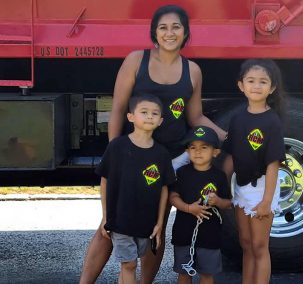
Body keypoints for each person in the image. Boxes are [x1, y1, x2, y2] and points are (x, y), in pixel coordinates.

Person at [79, 4, 226, 284]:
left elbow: (195, 116)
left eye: (176, 27)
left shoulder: (192, 70)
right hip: (132, 155)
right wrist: (117, 152)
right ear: (154, 33)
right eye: (163, 27)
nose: (169, 33)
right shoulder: (136, 61)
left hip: (168, 160)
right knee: (109, 224)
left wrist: (226, 136)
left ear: (185, 33)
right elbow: (119, 110)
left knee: (155, 228)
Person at [95, 94, 175, 283]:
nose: (149, 116)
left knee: (130, 263)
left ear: (161, 120)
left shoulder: (162, 154)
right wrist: (105, 215)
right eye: (144, 112)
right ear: (130, 117)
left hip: (145, 223)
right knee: (129, 265)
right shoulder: (117, 147)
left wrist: (159, 222)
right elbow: (105, 181)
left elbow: (164, 189)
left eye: (155, 113)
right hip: (120, 220)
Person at [222, 59, 286, 284]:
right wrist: (222, 187)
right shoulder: (238, 119)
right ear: (241, 85)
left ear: (272, 88)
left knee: (260, 247)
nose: (256, 86)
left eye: (263, 82)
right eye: (251, 81)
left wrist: (267, 200)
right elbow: (231, 156)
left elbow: (273, 164)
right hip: (241, 188)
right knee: (246, 244)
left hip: (262, 189)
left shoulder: (272, 121)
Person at [169, 126, 231, 284]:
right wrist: (189, 208)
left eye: (204, 147)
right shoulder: (182, 173)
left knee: (207, 275)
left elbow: (228, 204)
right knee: (184, 273)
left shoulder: (219, 176)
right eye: (193, 147)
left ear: (215, 152)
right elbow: (173, 196)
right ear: (187, 152)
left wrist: (217, 201)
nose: (198, 151)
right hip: (184, 234)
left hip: (210, 236)